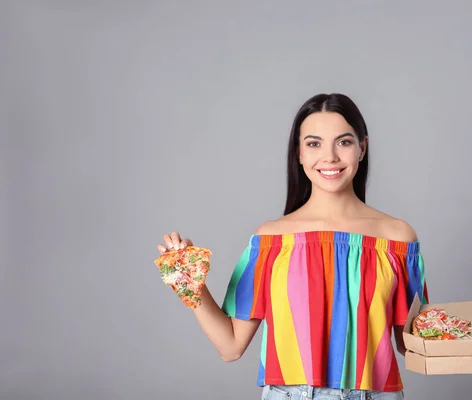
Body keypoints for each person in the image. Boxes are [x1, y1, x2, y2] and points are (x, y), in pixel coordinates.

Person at [156, 93, 429, 399]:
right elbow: (230, 346)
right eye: (314, 143)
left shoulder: (398, 239)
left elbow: (413, 346)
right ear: (299, 153)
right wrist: (189, 284)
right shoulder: (271, 240)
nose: (329, 157)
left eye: (344, 142)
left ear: (362, 148)